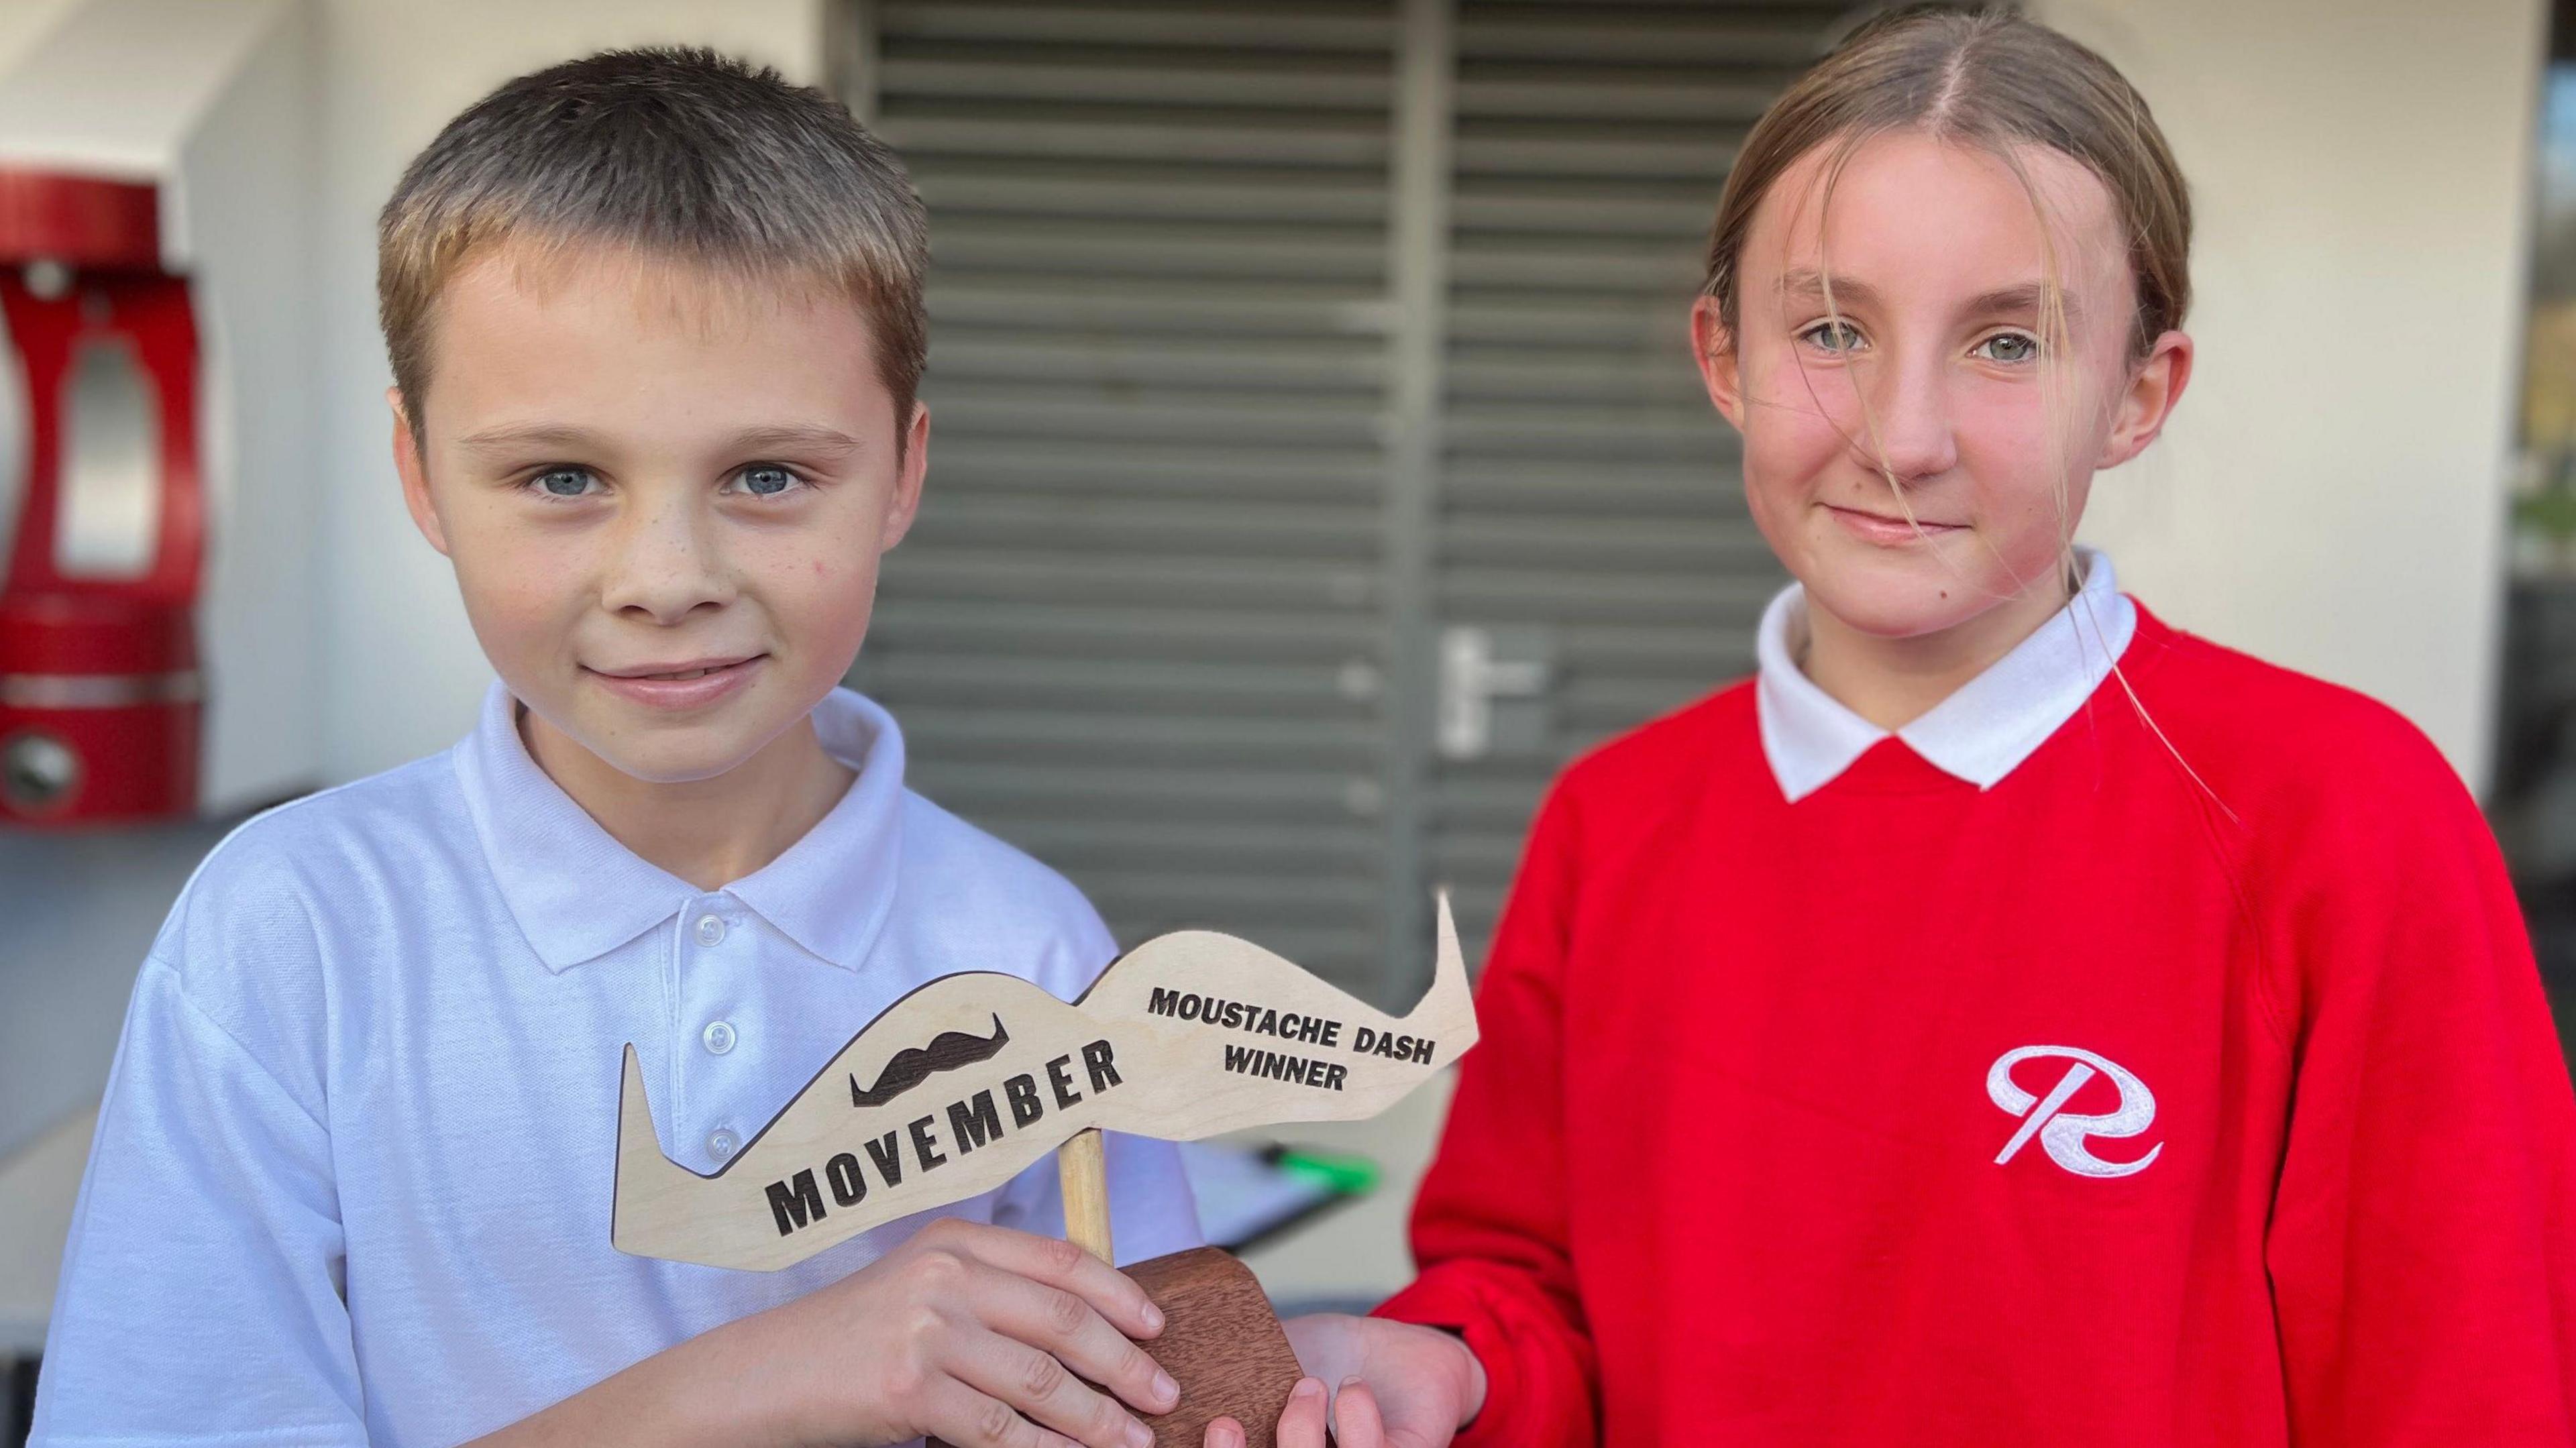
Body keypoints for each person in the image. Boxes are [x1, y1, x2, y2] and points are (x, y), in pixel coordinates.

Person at [1248, 7, 2576, 1446]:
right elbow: (1528, 1289)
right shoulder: (1614, 821)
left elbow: (2469, 1386)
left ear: (2138, 395)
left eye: (2008, 342)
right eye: (1832, 330)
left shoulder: (2343, 817)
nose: (1904, 436)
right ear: (1723, 357)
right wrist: (1445, 1365)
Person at [34, 48, 1208, 1448]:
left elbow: (1138, 1396)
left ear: (902, 472)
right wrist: (754, 1382)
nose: (667, 579)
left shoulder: (1033, 952)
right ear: (422, 477)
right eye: (562, 477)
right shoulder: (296, 932)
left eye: (767, 475)